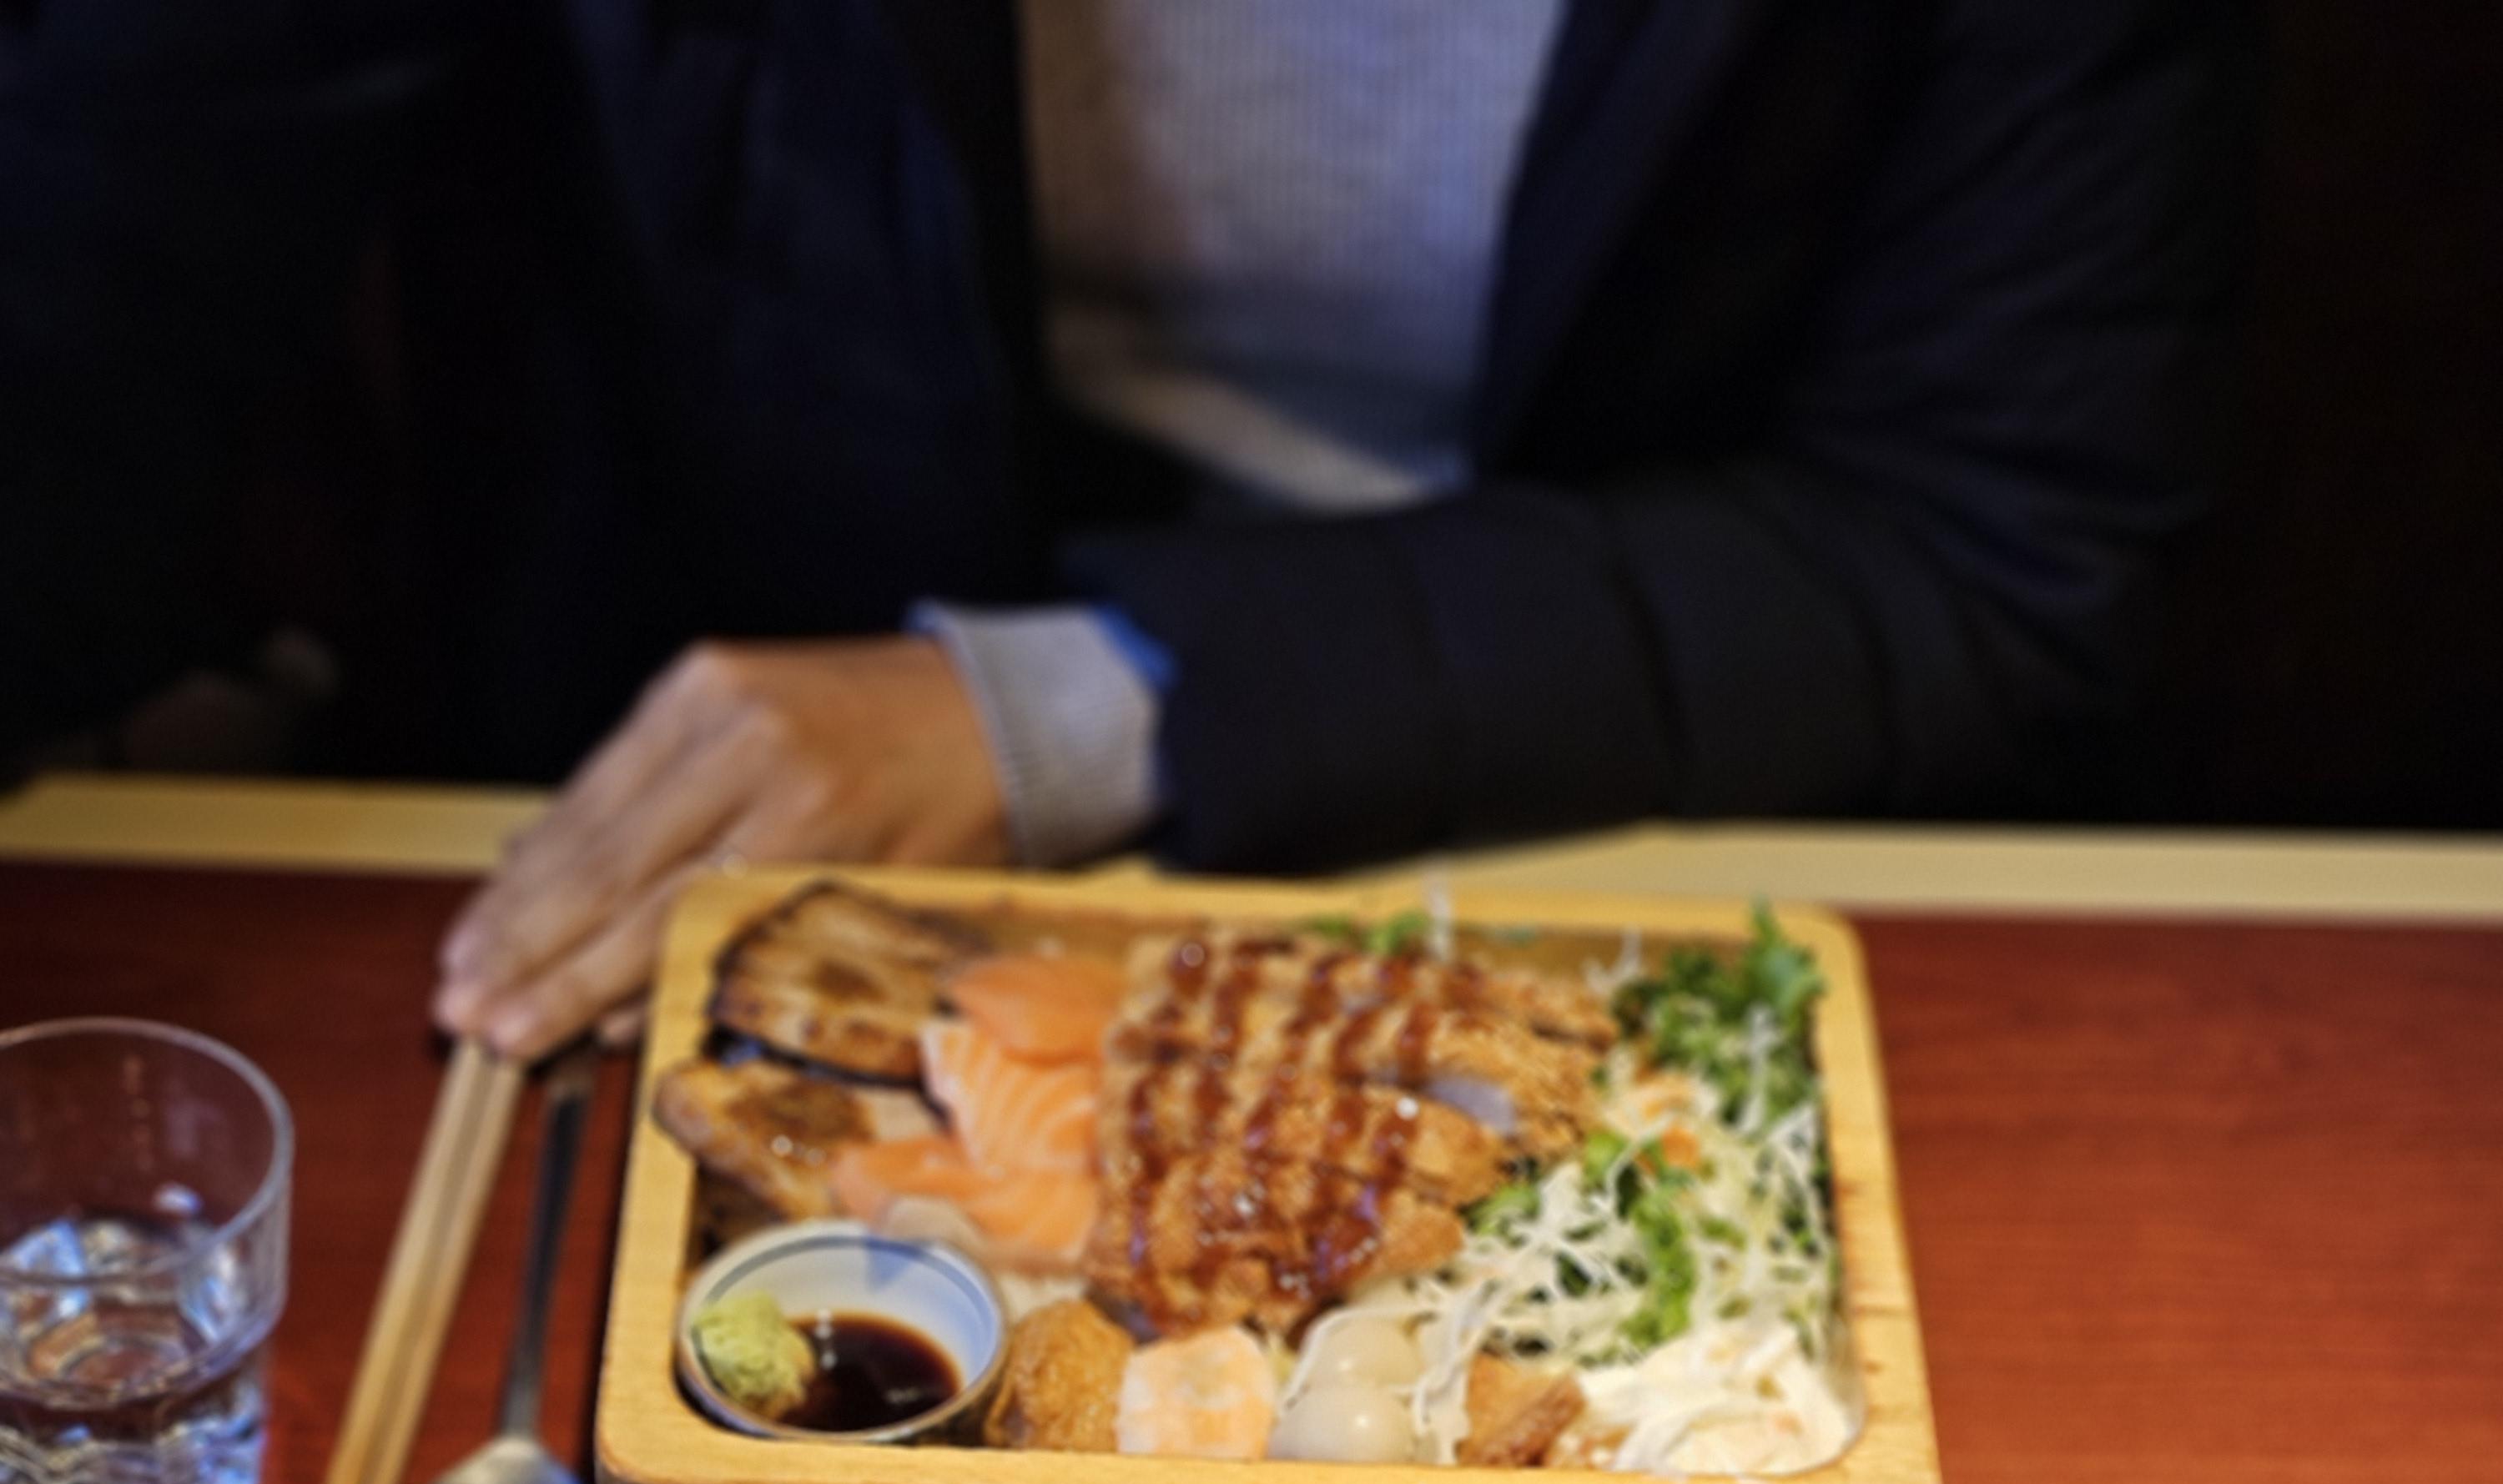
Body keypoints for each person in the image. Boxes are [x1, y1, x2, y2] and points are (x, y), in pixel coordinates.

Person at [0, 4, 2254, 1057]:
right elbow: (103, 255)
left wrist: (1080, 703)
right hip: (683, 856)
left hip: (1610, 793)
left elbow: (1993, 554)